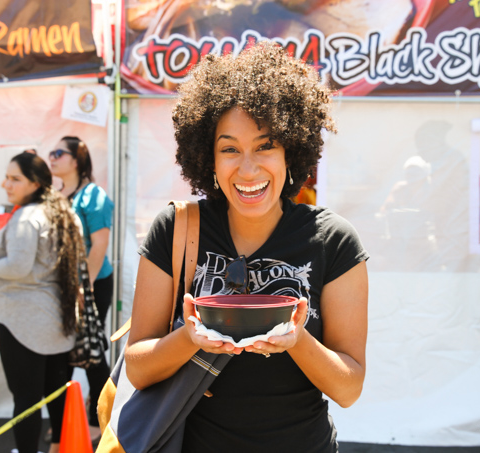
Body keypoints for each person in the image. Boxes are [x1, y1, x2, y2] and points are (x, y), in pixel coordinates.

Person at [125, 42, 369, 452]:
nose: (248, 168)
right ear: (209, 158)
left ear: (292, 148)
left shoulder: (333, 239)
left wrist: (298, 339)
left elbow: (349, 389)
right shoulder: (177, 228)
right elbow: (137, 367)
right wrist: (191, 338)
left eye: (265, 145)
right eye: (229, 149)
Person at [0, 153, 84, 453]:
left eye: (15, 178)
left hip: (24, 321)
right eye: (7, 177)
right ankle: (58, 447)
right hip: (59, 319)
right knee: (55, 394)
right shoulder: (63, 211)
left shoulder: (27, 217)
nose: (6, 184)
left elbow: (18, 267)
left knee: (26, 398)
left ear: (35, 183)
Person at [48, 136, 114, 442]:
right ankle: (67, 428)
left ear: (76, 160)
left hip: (92, 285)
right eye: (51, 153)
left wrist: (82, 288)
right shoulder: (54, 196)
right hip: (62, 288)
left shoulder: (93, 196)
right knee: (61, 354)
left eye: (59, 153)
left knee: (91, 352)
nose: (52, 157)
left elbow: (100, 243)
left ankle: (105, 424)